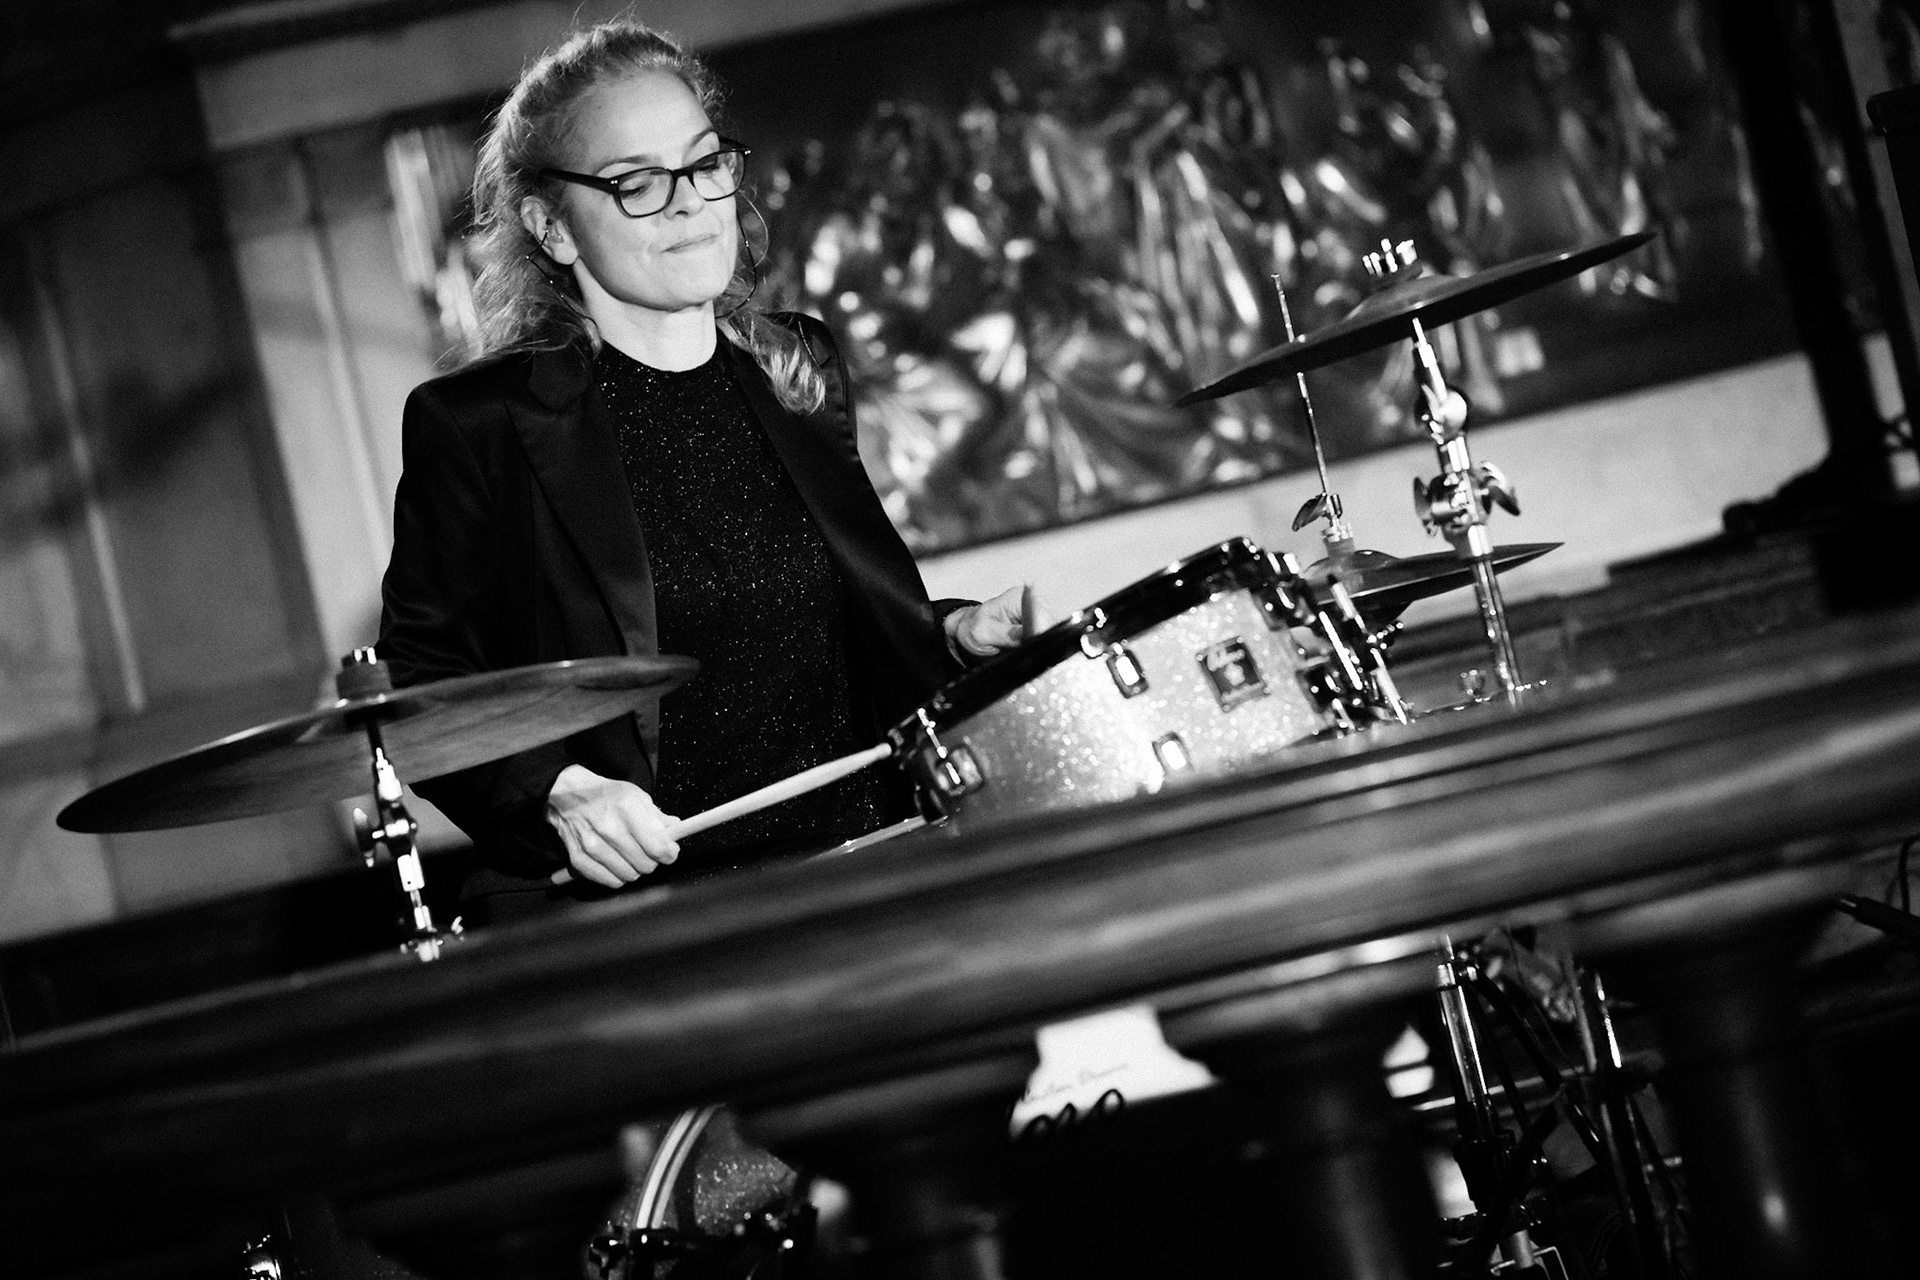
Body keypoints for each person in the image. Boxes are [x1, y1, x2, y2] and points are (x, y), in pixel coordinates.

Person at [377, 19, 1030, 921]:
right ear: (551, 226)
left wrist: (947, 633)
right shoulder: (478, 424)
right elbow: (417, 678)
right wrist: (556, 787)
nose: (690, 202)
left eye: (704, 163)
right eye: (637, 183)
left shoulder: (797, 367)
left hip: (866, 866)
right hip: (653, 918)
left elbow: (798, 619)